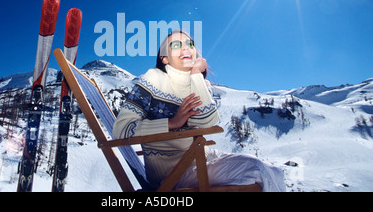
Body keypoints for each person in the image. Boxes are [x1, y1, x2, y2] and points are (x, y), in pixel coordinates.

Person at [113, 29, 286, 191]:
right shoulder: (153, 79)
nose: (185, 48)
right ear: (164, 58)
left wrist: (196, 74)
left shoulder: (197, 83)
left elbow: (207, 120)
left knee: (276, 172)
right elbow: (121, 130)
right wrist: (171, 123)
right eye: (176, 45)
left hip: (202, 158)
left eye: (190, 44)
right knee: (257, 170)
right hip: (173, 173)